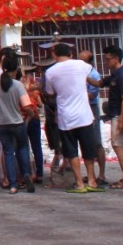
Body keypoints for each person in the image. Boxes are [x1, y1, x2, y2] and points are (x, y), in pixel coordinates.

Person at [43, 44, 102, 194]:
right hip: (84, 115)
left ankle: (79, 183)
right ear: (70, 53)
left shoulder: (50, 72)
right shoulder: (81, 65)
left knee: (72, 151)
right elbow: (92, 76)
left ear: (54, 55)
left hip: (66, 117)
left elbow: (50, 92)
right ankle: (92, 180)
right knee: (88, 150)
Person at [0, 52, 36, 194]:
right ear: (15, 70)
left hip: (1, 124)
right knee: (22, 148)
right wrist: (32, 114)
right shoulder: (18, 85)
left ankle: (13, 185)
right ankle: (26, 173)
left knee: (8, 152)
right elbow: (26, 106)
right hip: (17, 122)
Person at [101, 45, 123, 189]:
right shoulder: (114, 75)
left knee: (118, 145)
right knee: (118, 145)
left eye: (108, 59)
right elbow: (98, 83)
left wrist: (121, 119)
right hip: (117, 114)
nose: (106, 62)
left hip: (122, 114)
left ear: (116, 59)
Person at [78, 50, 108, 188]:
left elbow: (91, 95)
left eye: (82, 61)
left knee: (96, 141)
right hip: (81, 108)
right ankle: (91, 174)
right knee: (85, 141)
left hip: (92, 107)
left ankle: (101, 174)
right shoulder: (78, 73)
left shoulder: (93, 75)